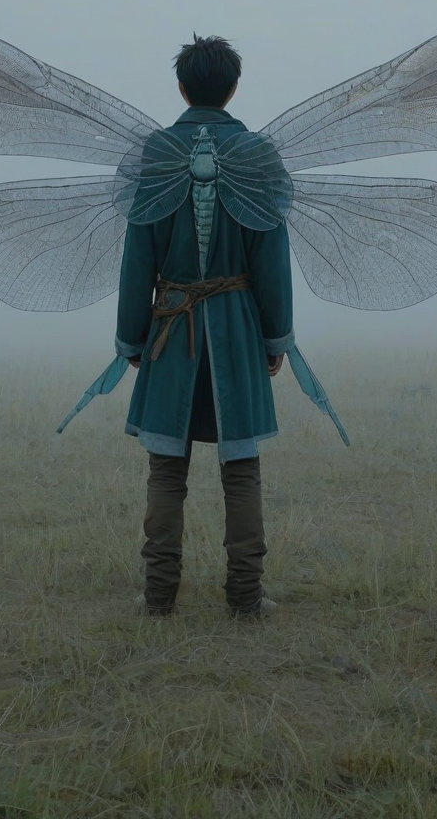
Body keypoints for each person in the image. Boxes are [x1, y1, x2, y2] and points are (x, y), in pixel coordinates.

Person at [117, 35, 294, 620]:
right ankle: (245, 598)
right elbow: (270, 258)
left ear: (182, 87)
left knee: (167, 472)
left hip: (170, 324)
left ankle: (158, 597)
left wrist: (132, 337)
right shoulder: (258, 154)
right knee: (241, 472)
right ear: (233, 88)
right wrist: (275, 338)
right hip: (236, 330)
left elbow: (138, 253)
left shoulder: (156, 152)